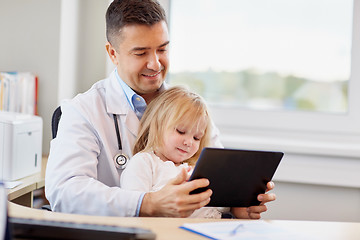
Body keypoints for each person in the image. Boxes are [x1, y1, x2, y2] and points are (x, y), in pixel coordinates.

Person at [45, 0, 275, 218]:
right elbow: (64, 191)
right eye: (141, 53)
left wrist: (237, 205)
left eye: (162, 49)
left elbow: (215, 180)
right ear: (113, 53)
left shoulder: (189, 110)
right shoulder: (83, 111)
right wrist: (148, 203)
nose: (155, 64)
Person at [121, 86, 229, 218]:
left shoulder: (195, 168)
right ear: (157, 125)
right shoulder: (144, 163)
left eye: (196, 138)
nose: (189, 142)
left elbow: (219, 205)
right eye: (181, 131)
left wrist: (237, 209)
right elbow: (134, 210)